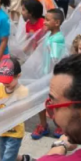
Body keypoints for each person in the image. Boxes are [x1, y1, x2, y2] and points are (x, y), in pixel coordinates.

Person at [31, 8, 66, 139]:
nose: (44, 22)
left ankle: (60, 125)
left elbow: (55, 60)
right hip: (45, 75)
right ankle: (43, 125)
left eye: (47, 19)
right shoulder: (50, 35)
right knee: (41, 100)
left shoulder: (57, 39)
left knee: (55, 102)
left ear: (57, 22)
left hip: (52, 77)